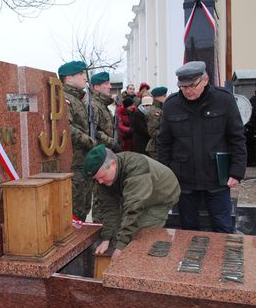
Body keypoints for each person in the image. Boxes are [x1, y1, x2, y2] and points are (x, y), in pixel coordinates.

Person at [157, 61, 246, 233]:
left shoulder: (224, 99)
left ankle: (222, 260)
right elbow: (164, 143)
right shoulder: (171, 105)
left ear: (205, 80)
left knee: (223, 228)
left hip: (216, 177)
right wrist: (166, 174)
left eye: (192, 85)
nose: (187, 91)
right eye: (183, 87)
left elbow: (237, 138)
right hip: (184, 179)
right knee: (188, 230)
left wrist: (236, 171)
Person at [83, 144, 180, 259]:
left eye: (101, 177)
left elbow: (133, 210)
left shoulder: (136, 168)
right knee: (121, 231)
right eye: (96, 179)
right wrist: (106, 238)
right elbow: (109, 208)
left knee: (140, 235)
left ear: (113, 165)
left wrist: (120, 248)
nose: (99, 182)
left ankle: (145, 264)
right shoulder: (104, 177)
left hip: (161, 195)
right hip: (139, 193)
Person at [59, 60, 94, 221]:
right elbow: (67, 128)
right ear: (69, 77)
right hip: (75, 161)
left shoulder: (78, 98)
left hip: (83, 160)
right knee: (76, 206)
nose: (85, 78)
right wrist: (90, 141)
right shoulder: (66, 98)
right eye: (81, 74)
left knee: (85, 203)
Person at [89, 71, 119, 223]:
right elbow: (94, 132)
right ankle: (100, 228)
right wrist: (112, 142)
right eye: (106, 84)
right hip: (101, 156)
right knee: (100, 198)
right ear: (96, 87)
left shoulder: (104, 105)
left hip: (107, 153)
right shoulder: (94, 106)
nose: (110, 86)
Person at [144, 87, 167, 160]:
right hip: (155, 147)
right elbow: (152, 132)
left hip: (160, 145)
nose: (166, 98)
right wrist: (165, 136)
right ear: (158, 97)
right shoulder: (154, 112)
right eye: (164, 96)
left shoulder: (160, 108)